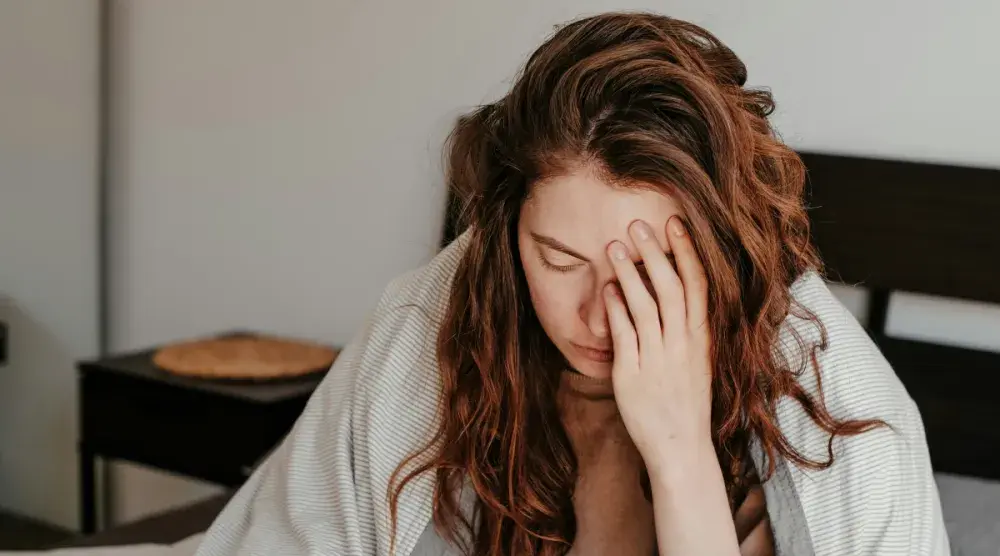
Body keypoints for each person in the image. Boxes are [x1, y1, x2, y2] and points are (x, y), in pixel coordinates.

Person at [194, 12, 949, 556]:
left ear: (715, 247)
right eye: (557, 260)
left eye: (642, 273)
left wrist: (679, 446)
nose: (595, 314)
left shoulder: (840, 403)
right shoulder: (435, 313)